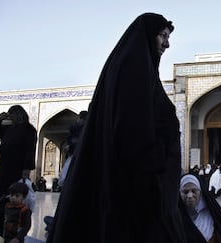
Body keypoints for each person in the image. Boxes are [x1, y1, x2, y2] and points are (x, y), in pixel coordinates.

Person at [46, 13, 186, 243]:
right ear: (148, 35)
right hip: (135, 189)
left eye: (168, 37)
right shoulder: (133, 71)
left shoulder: (139, 70)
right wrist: (155, 162)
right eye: (162, 35)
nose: (167, 43)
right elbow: (131, 131)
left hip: (139, 183)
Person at [0, 105, 37, 237]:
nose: (11, 117)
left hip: (16, 170)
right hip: (3, 169)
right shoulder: (8, 129)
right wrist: (0, 117)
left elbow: (29, 150)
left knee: (12, 199)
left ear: (19, 114)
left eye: (12, 114)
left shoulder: (29, 130)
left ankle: (10, 231)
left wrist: (26, 170)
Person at [179, 173, 221, 243]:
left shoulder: (213, 216)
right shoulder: (176, 218)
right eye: (185, 192)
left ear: (200, 193)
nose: (190, 195)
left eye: (194, 191)